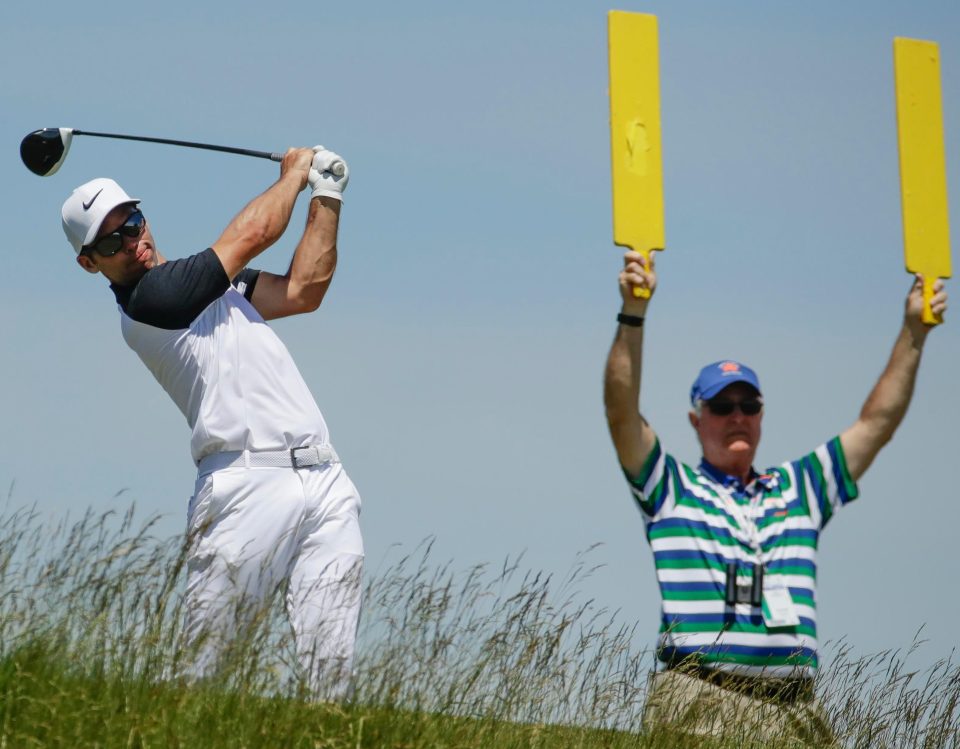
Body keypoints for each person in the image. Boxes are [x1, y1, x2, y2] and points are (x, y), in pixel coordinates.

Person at [603, 250, 947, 743]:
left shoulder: (800, 489)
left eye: (749, 404)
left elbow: (877, 423)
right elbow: (621, 411)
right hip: (700, 697)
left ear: (762, 414)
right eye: (722, 405)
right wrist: (632, 313)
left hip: (794, 713)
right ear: (696, 420)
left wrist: (914, 332)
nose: (737, 415)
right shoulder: (671, 487)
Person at [60, 147, 364, 700]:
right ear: (90, 263)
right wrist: (296, 174)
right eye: (111, 242)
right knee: (202, 677)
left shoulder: (214, 287)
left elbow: (304, 290)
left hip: (324, 480)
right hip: (243, 488)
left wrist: (327, 196)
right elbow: (253, 232)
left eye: (132, 221)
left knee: (332, 681)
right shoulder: (150, 300)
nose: (132, 240)